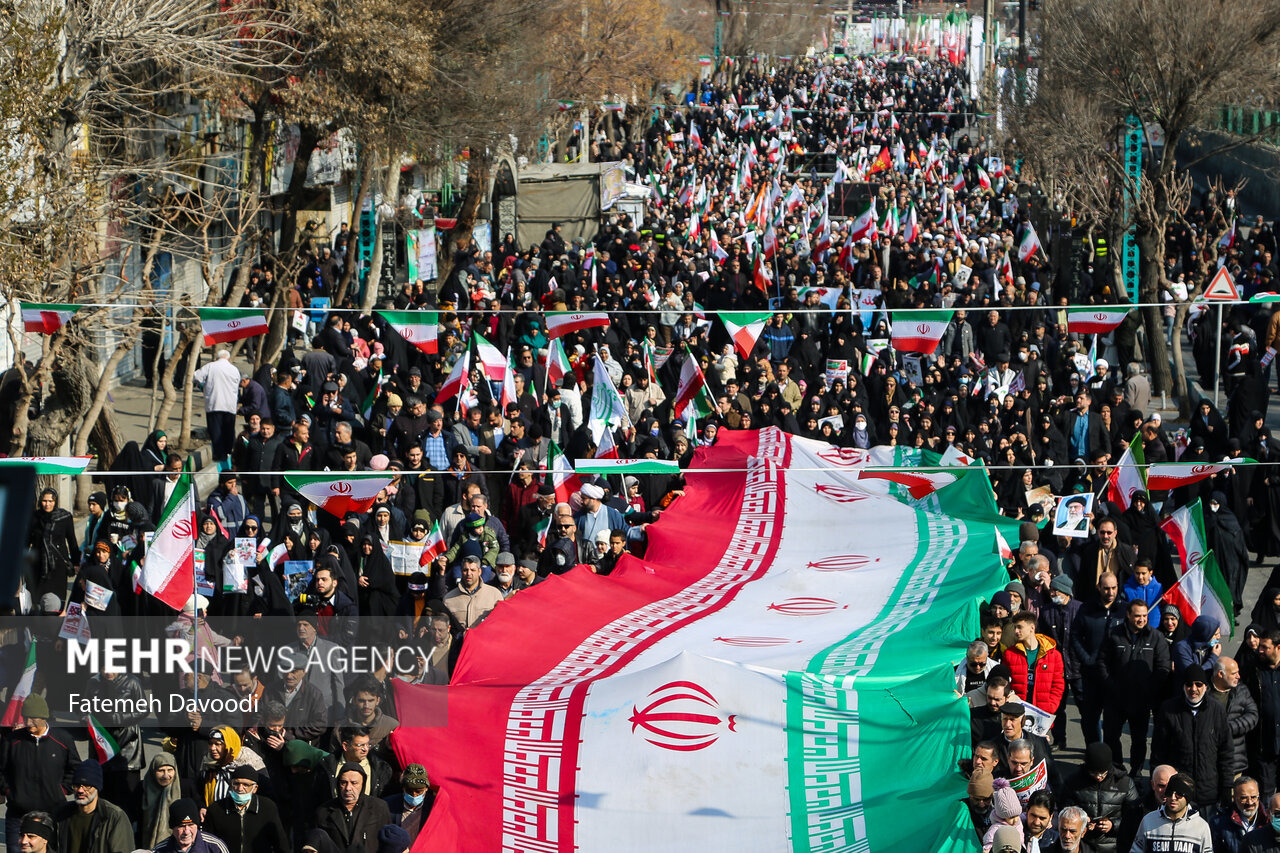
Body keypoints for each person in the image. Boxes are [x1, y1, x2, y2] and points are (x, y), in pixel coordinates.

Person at [0, 694, 79, 853]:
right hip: (18, 813)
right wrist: (10, 792)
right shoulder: (12, 741)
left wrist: (62, 790)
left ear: (44, 717)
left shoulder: (63, 739)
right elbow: (1, 771)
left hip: (53, 813)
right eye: (26, 718)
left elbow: (75, 769)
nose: (29, 723)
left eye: (33, 718)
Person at [1101, 599, 1170, 777]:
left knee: (1139, 739)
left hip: (1141, 701)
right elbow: (1102, 662)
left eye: (1145, 616)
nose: (1141, 619)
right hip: (1116, 699)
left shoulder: (1156, 637)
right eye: (1138, 616)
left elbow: (1163, 667)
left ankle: (1136, 772)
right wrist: (1111, 685)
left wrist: (1149, 690)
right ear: (1128, 615)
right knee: (1110, 736)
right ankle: (1117, 768)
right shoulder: (1113, 634)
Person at [1151, 665, 1234, 813]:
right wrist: (1158, 787)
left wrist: (1227, 787)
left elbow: (1226, 752)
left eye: (1198, 684)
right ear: (1183, 686)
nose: (1193, 689)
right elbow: (1158, 752)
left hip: (1209, 793)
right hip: (1179, 794)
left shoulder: (1217, 710)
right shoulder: (1168, 710)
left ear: (1206, 687)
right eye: (1189, 684)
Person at [1059, 743, 1140, 853]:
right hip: (1083, 845)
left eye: (1102, 773)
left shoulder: (1124, 783)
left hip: (1114, 846)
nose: (1098, 777)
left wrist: (1113, 825)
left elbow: (1135, 817)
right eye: (1093, 773)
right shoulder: (1073, 782)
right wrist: (1082, 821)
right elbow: (1064, 809)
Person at [201, 766, 289, 853]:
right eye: (236, 784)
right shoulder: (216, 809)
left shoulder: (267, 807)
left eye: (246, 785)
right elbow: (206, 844)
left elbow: (280, 843)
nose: (240, 789)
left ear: (255, 788)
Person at [54, 759, 134, 853]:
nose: (80, 790)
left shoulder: (114, 817)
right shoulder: (62, 814)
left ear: (97, 787)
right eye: (77, 785)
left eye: (87, 786)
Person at [1003, 611, 1066, 724]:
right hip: (1016, 712)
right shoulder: (1010, 654)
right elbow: (1005, 682)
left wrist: (1050, 707)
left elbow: (1058, 685)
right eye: (1015, 627)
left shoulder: (1053, 655)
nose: (1016, 631)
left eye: (1019, 627)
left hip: (1042, 712)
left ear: (1032, 627)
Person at [314, 763, 391, 853]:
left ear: (363, 784)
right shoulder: (324, 811)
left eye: (354, 783)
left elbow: (388, 842)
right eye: (343, 783)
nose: (348, 788)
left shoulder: (378, 808)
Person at [1128, 773, 1213, 853]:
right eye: (1169, 793)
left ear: (1188, 798)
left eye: (1179, 794)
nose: (1173, 798)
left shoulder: (1201, 826)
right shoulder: (1148, 820)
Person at [1209, 657, 1258, 782]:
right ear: (1220, 674)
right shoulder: (1204, 691)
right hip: (1209, 763)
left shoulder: (1241, 691)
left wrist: (1228, 728)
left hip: (1234, 762)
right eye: (1234, 673)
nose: (1238, 676)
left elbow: (1252, 716)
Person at [194, 350, 244, 466]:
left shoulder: (210, 366)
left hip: (214, 404)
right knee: (228, 429)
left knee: (215, 430)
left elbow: (196, 376)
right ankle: (228, 451)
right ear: (228, 358)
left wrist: (201, 386)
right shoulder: (234, 369)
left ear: (217, 357)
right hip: (230, 405)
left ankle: (219, 454)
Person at [1210, 776, 1267, 853]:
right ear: (1234, 798)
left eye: (1253, 797)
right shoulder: (1219, 823)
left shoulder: (1268, 820)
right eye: (1244, 798)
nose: (1250, 802)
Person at [153, 799, 232, 853]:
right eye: (181, 826)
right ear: (173, 828)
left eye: (191, 825)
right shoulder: (160, 850)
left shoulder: (215, 847)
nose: (187, 831)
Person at [383, 764, 431, 841]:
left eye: (418, 791)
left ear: (426, 789)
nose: (414, 795)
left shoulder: (433, 807)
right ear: (403, 788)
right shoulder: (387, 805)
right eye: (409, 791)